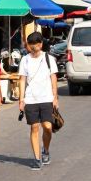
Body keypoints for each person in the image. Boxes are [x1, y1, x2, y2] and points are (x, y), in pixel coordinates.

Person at [18, 31, 59, 171]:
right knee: (34, 128)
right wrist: (21, 99)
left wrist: (55, 97)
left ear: (41, 44)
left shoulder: (49, 58)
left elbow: (53, 77)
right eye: (31, 44)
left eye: (36, 44)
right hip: (31, 99)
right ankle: (36, 158)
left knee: (47, 127)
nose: (34, 47)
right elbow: (22, 80)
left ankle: (45, 150)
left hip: (46, 98)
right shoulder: (25, 60)